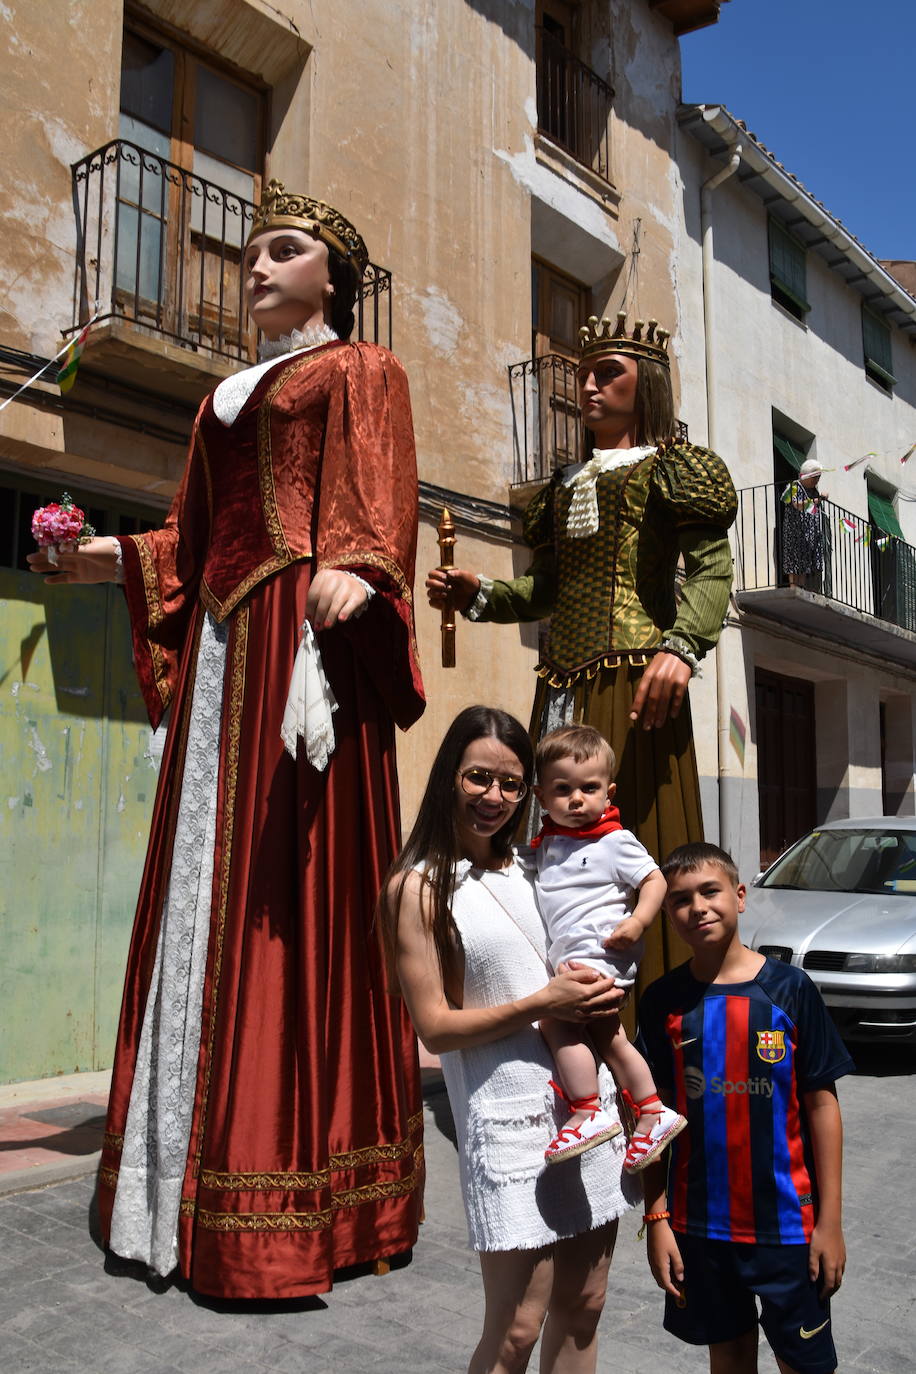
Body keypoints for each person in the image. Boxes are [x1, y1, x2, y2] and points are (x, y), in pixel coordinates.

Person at [27, 181, 425, 1299]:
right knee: (202, 885)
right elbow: (190, 535)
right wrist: (100, 556)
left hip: (300, 636)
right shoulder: (220, 397)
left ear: (332, 275)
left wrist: (363, 567)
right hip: (219, 642)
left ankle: (298, 1193)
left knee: (288, 886)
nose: (255, 266)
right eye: (252, 252)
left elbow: (375, 495)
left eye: (282, 250)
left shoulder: (361, 370)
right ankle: (173, 1172)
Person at [426, 312, 737, 999]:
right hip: (559, 687)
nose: (588, 387)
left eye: (607, 374)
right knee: (555, 844)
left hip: (639, 681)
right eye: (584, 375)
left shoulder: (673, 470)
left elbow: (713, 573)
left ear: (645, 384)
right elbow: (545, 590)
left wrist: (681, 650)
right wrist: (480, 594)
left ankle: (650, 1023)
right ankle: (563, 1013)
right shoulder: (562, 485)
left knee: (634, 841)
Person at [379, 706, 637, 1374]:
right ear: (449, 778)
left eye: (512, 784)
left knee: (585, 1304)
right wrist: (542, 1002)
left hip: (587, 1111)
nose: (495, 797)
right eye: (478, 777)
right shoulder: (419, 888)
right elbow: (434, 1025)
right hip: (511, 1121)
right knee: (516, 1330)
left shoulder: (537, 865)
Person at [637, 842, 853, 1374]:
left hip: (788, 1228)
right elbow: (650, 1118)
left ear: (739, 896)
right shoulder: (664, 1001)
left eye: (710, 891)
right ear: (669, 914)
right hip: (699, 1227)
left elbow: (822, 1106)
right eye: (682, 899)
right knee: (728, 1356)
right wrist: (658, 1215)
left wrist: (831, 1222)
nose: (699, 907)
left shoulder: (790, 990)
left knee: (804, 1362)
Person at [528, 724, 685, 1170]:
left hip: (598, 957)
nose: (577, 799)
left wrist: (638, 921)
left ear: (609, 792)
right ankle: (652, 1111)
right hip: (582, 959)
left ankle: (586, 1110)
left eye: (589, 788)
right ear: (541, 797)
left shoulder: (613, 841)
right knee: (610, 1038)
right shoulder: (548, 845)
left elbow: (655, 879)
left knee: (558, 1026)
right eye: (563, 790)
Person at [781, 458, 826, 590]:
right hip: (794, 529)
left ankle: (801, 586)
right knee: (793, 557)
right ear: (806, 475)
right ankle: (793, 586)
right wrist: (818, 500)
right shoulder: (794, 486)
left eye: (818, 478)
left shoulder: (813, 491)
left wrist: (820, 498)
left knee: (805, 558)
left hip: (809, 531)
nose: (816, 481)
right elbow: (797, 504)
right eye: (815, 477)